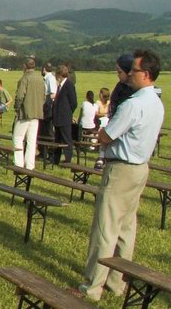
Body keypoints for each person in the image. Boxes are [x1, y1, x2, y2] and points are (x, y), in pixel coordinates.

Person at [79, 50, 163, 301]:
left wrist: (102, 135)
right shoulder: (156, 102)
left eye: (133, 70)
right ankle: (117, 283)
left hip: (121, 169)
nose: (129, 75)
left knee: (105, 229)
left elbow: (106, 135)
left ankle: (92, 287)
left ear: (145, 74)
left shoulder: (133, 104)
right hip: (140, 168)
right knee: (126, 229)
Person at [13, 58, 45, 169]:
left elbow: (20, 96)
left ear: (24, 66)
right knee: (32, 140)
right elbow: (44, 97)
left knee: (18, 138)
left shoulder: (24, 78)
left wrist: (17, 107)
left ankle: (18, 163)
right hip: (37, 113)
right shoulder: (40, 78)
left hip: (24, 113)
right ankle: (30, 164)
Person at [49, 64, 77, 164]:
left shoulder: (69, 85)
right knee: (57, 139)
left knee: (66, 139)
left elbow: (74, 103)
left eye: (57, 75)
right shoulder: (60, 86)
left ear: (60, 75)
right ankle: (55, 159)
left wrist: (67, 113)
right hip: (58, 118)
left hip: (64, 117)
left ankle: (68, 159)